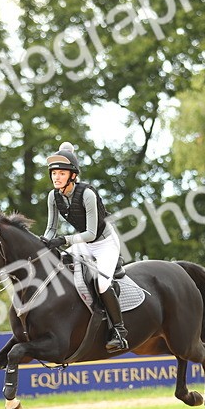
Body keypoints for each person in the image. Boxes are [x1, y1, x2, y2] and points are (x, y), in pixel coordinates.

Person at [41, 141, 128, 352]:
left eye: (61, 173)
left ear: (72, 175)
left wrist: (63, 241)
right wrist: (43, 243)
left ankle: (119, 331)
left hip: (104, 243)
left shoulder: (87, 194)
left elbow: (90, 233)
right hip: (83, 245)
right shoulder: (53, 196)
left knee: (102, 285)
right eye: (54, 173)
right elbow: (51, 229)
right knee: (60, 268)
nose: (56, 177)